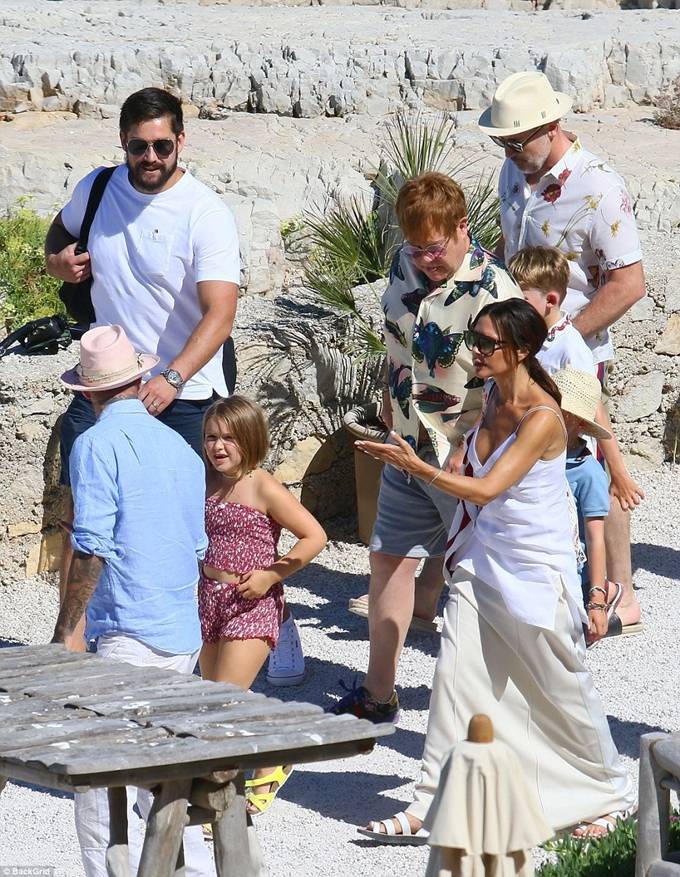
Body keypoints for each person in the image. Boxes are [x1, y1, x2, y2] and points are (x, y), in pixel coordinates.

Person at [354, 299, 635, 842]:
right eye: (474, 340)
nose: (475, 351)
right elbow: (473, 460)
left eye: (486, 343)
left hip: (534, 569)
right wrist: (455, 449)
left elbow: (486, 490)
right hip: (481, 558)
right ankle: (432, 799)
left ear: (522, 350)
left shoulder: (543, 418)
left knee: (561, 687)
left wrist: (417, 468)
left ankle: (612, 794)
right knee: (455, 677)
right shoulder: (490, 395)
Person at [330, 172, 521, 724]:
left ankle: (491, 707)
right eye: (415, 248)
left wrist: (472, 445)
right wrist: (389, 405)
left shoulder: (495, 291)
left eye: (434, 249)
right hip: (407, 444)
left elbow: (509, 386)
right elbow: (398, 347)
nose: (424, 260)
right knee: (388, 560)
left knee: (477, 581)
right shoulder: (403, 263)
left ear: (463, 227)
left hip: (463, 457)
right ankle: (378, 695)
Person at [480, 70, 645, 632]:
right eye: (503, 143)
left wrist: (561, 333)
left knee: (590, 461)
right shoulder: (513, 168)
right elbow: (513, 248)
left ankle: (621, 591)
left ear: (551, 126)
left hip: (572, 352)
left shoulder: (600, 187)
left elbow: (628, 282)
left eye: (517, 141)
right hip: (520, 350)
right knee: (534, 461)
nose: (509, 152)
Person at [51, 324, 214, 877]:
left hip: (128, 630)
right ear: (140, 379)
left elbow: (91, 547)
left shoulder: (95, 444)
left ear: (88, 391)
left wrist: (64, 632)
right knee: (166, 776)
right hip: (181, 630)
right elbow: (196, 545)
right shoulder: (181, 448)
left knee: (99, 784)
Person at [199, 396, 327, 814]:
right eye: (211, 437)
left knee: (222, 699)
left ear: (250, 439)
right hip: (207, 599)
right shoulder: (206, 481)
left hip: (251, 602)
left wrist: (272, 575)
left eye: (229, 438)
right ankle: (276, 750)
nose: (218, 446)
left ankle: (216, 801)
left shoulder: (263, 485)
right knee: (216, 697)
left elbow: (314, 536)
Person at [510, 245, 644, 637]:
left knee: (572, 538)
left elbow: (594, 407)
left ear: (550, 300)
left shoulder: (569, 346)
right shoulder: (527, 338)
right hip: (534, 456)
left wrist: (617, 470)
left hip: (564, 456)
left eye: (519, 299)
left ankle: (591, 601)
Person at [552, 367, 641, 644]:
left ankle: (610, 591)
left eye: (560, 412)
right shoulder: (537, 455)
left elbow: (595, 538)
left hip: (571, 570)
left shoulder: (588, 473)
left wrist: (597, 598)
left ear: (579, 422)